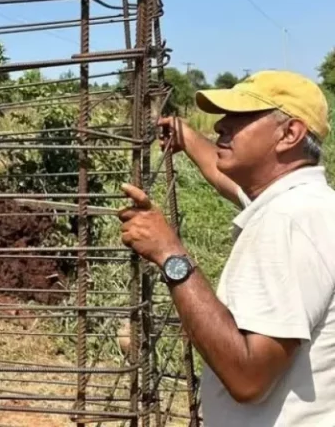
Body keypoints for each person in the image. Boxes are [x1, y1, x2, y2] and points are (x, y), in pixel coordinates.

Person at [117, 70, 335, 426]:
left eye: (240, 117)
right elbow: (232, 185)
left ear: (290, 133)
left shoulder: (287, 220)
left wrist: (170, 254)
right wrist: (187, 137)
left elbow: (248, 379)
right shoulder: (309, 204)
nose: (220, 126)